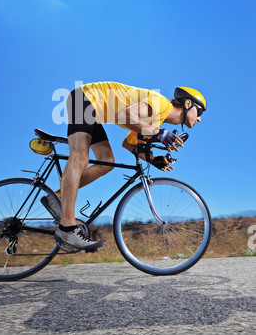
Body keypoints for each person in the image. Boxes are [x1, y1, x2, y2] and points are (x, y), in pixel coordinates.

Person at [54, 82, 207, 252]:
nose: (199, 118)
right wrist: (159, 133)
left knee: (107, 161)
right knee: (80, 157)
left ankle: (56, 196)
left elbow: (130, 144)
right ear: (187, 104)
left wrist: (153, 159)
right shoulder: (161, 104)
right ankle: (67, 228)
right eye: (199, 112)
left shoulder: (156, 118)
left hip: (91, 107)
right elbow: (125, 115)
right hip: (84, 98)